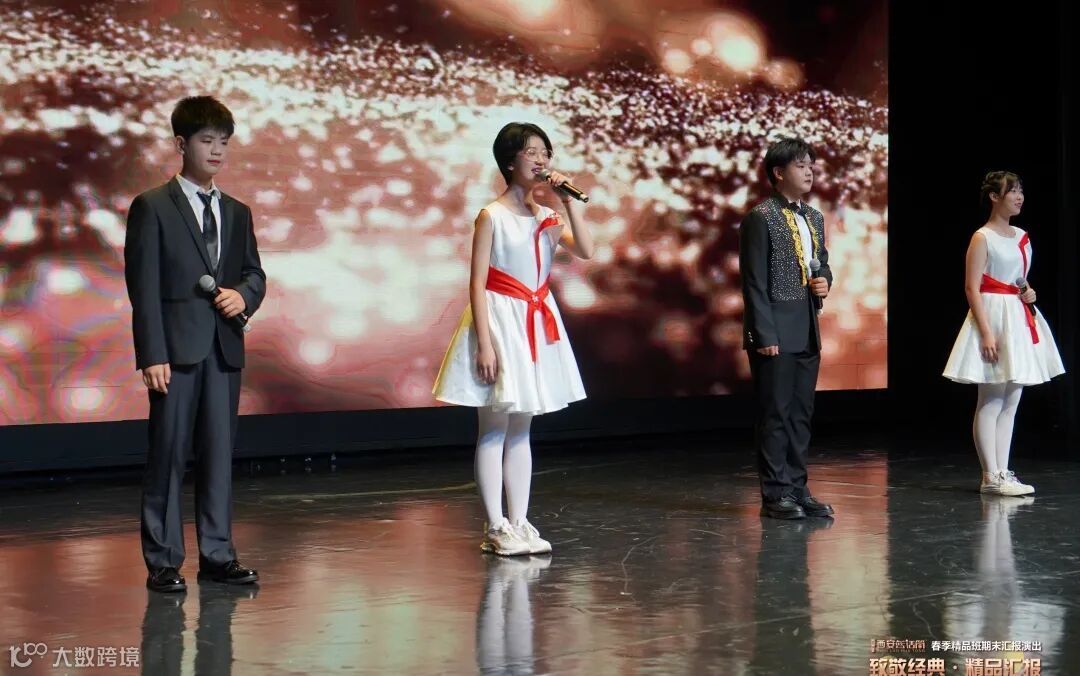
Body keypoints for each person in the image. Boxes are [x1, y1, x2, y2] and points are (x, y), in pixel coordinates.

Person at [125, 96, 266, 592]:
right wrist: (152, 353)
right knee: (167, 454)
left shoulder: (238, 211)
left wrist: (243, 295)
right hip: (175, 352)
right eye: (207, 141)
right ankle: (163, 561)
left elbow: (254, 273)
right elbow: (142, 286)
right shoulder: (152, 206)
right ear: (181, 144)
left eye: (224, 142)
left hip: (224, 349)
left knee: (218, 454)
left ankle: (218, 555)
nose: (217, 151)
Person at [433, 122, 593, 555]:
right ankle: (495, 525)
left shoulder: (547, 217)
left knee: (522, 427)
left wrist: (568, 201)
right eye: (531, 152)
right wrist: (485, 344)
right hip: (500, 320)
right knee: (494, 426)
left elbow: (586, 249)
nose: (541, 160)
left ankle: (519, 520)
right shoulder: (492, 215)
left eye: (545, 152)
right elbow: (477, 283)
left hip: (534, 322)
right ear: (510, 161)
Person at [943, 171, 1064, 495]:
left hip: (1017, 315)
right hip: (993, 314)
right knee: (992, 396)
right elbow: (972, 287)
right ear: (994, 197)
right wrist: (986, 333)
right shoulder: (982, 237)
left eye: (1021, 190)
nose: (1019, 196)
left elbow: (1019, 278)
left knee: (1012, 398)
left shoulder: (1022, 235)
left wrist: (1029, 292)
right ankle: (990, 475)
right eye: (1012, 191)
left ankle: (1003, 471)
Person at [739, 137, 834, 520]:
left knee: (800, 414)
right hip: (775, 330)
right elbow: (753, 281)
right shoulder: (761, 217)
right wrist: (764, 334)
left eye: (811, 164)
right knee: (775, 413)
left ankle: (797, 487)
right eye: (800, 165)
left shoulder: (814, 217)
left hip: (807, 326)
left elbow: (821, 262)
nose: (809, 171)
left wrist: (825, 281)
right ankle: (775, 493)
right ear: (778, 173)